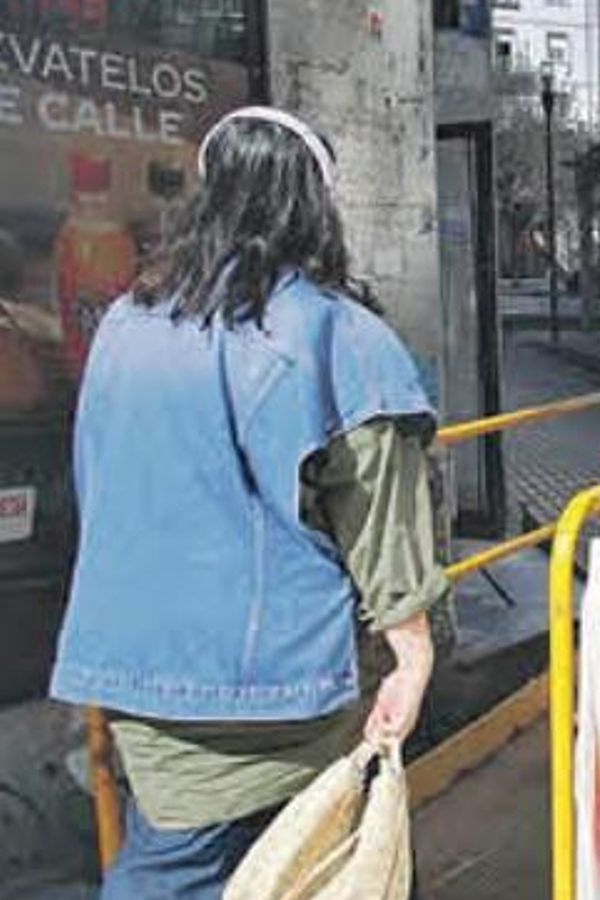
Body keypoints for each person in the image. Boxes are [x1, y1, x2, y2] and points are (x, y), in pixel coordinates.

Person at [49, 107, 447, 899]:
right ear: (314, 204)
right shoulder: (337, 333)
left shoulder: (128, 322)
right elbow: (381, 517)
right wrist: (413, 649)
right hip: (279, 682)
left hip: (132, 666)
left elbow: (99, 478)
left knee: (172, 858)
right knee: (297, 865)